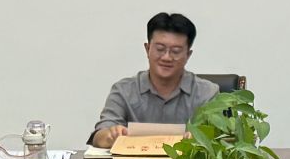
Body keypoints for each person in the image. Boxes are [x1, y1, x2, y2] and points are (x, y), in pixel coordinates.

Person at [89, 13, 219, 148]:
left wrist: (200, 139)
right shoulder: (123, 90)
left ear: (188, 55)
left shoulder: (207, 93)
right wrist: (110, 136)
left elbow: (220, 140)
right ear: (147, 49)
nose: (166, 57)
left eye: (175, 51)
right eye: (160, 49)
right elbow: (100, 136)